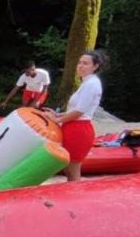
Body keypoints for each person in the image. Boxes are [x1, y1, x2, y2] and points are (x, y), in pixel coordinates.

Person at [46, 50, 107, 181]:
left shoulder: (91, 84)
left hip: (79, 130)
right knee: (68, 170)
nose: (80, 66)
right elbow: (77, 109)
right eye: (79, 62)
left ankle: (74, 197)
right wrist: (58, 114)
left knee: (73, 172)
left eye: (85, 63)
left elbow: (79, 111)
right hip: (73, 127)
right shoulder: (87, 83)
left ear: (95, 66)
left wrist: (57, 119)